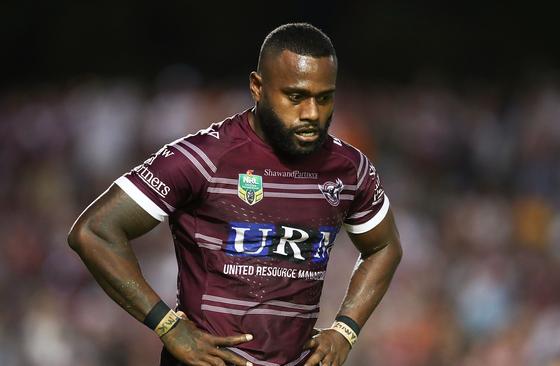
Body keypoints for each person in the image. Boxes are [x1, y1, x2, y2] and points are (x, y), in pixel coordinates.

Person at [68, 23, 402, 366]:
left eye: (324, 97)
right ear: (257, 87)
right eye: (296, 96)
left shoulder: (349, 168)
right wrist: (168, 326)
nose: (312, 114)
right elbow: (94, 231)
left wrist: (345, 329)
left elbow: (384, 246)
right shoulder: (203, 157)